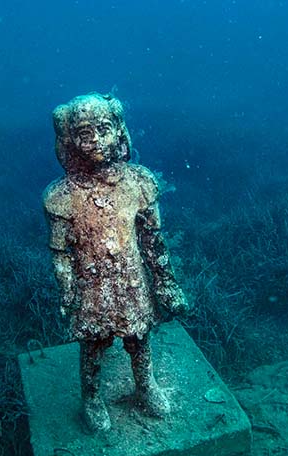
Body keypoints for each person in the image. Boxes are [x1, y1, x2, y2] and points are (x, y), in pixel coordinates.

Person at [43, 93, 189, 432]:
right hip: (91, 285)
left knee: (139, 335)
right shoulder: (61, 197)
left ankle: (145, 384)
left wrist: (166, 281)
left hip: (131, 279)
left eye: (103, 128)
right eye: (83, 133)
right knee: (93, 343)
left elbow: (153, 240)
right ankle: (91, 396)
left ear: (118, 131)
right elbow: (60, 252)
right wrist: (67, 289)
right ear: (70, 139)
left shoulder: (139, 183)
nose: (94, 140)